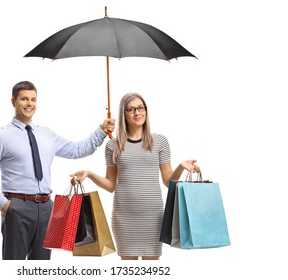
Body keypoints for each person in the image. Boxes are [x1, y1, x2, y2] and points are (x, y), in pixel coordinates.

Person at [0, 81, 115, 260]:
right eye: (24, 99)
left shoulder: (46, 134)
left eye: (33, 99)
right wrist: (3, 205)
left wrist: (101, 131)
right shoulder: (0, 137)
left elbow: (77, 150)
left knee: (41, 269)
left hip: (47, 208)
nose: (29, 104)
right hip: (17, 207)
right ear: (13, 102)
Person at [70, 92, 199, 260]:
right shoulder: (112, 146)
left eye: (140, 108)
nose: (137, 113)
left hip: (153, 215)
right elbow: (110, 185)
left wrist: (181, 167)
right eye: (130, 109)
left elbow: (169, 182)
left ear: (146, 110)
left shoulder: (159, 141)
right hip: (124, 215)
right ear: (123, 114)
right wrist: (89, 174)